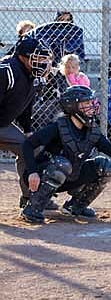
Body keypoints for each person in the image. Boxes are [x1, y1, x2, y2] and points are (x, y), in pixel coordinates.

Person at [19, 86, 111, 224]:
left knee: (104, 165)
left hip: (69, 175)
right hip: (42, 175)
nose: (91, 107)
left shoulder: (92, 130)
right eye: (86, 104)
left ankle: (75, 206)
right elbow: (28, 145)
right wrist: (32, 172)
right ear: (72, 106)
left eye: (91, 103)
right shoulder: (57, 127)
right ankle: (33, 208)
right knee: (62, 163)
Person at [0, 36, 54, 208]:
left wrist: (28, 130)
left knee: (30, 149)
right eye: (37, 58)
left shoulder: (31, 73)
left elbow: (25, 104)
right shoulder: (6, 71)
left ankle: (30, 198)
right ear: (23, 56)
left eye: (44, 58)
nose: (43, 63)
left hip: (3, 124)